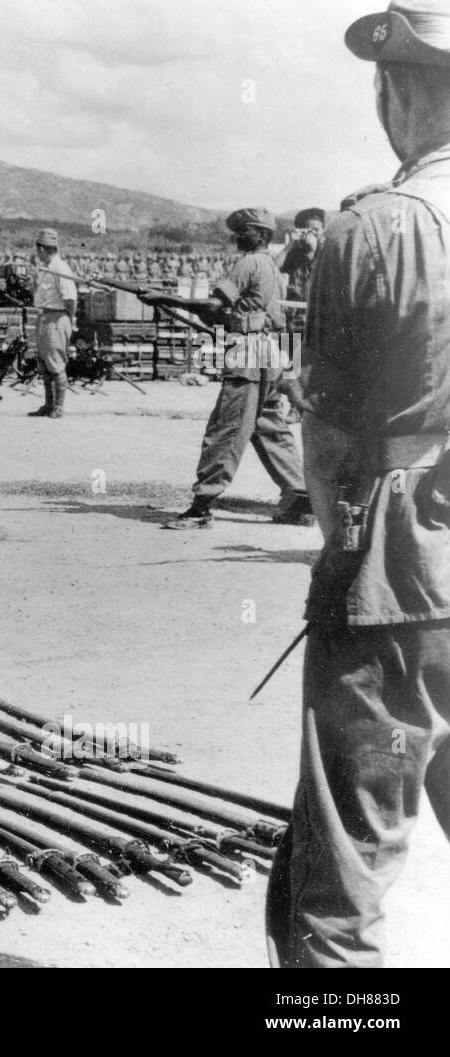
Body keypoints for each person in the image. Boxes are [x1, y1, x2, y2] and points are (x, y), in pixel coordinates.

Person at [265, 0, 450, 968]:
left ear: (399, 92)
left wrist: (338, 544)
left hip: (402, 568)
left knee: (344, 857)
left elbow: (331, 427)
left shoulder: (373, 228)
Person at [152, 207, 313, 529]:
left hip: (248, 352)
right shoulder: (269, 266)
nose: (238, 237)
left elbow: (215, 306)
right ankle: (301, 501)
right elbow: (242, 315)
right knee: (269, 429)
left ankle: (201, 508)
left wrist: (168, 300)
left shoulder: (249, 262)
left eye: (246, 231)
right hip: (268, 350)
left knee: (226, 428)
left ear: (263, 235)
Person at [28, 229, 78, 418]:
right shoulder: (48, 267)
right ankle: (48, 405)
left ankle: (58, 406)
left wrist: (68, 320)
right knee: (45, 364)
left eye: (38, 250)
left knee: (56, 364)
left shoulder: (60, 268)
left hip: (57, 319)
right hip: (46, 318)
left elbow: (70, 299)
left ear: (42, 249)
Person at [277, 207, 327, 302]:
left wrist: (313, 251)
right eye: (308, 230)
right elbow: (274, 268)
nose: (312, 234)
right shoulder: (295, 254)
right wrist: (290, 244)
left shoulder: (327, 254)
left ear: (324, 231)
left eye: (316, 230)